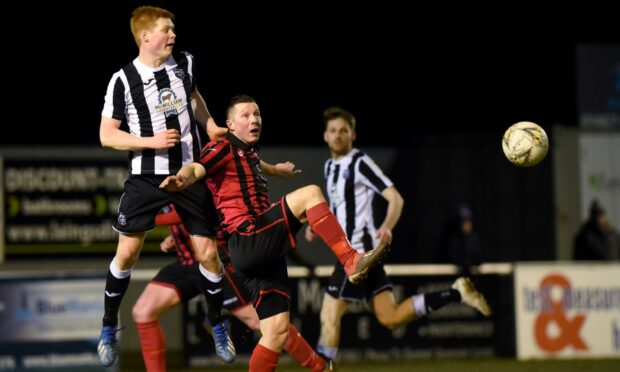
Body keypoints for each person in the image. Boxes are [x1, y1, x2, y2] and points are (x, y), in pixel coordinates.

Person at [160, 95, 387, 371]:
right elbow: (198, 167)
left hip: (261, 254)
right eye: (246, 115)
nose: (254, 119)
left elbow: (256, 164)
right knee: (310, 194)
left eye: (257, 114)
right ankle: (350, 260)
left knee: (277, 331)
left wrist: (277, 171)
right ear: (230, 124)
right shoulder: (222, 147)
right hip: (249, 237)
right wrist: (182, 178)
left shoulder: (250, 153)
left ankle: (319, 367)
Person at [305, 106, 492, 366]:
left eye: (343, 130)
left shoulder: (359, 163)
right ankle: (455, 293)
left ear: (353, 135)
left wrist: (388, 225)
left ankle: (323, 368)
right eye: (333, 130)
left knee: (329, 313)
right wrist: (317, 225)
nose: (338, 135)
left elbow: (395, 198)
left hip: (359, 253)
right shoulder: (329, 167)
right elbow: (338, 205)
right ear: (325, 136)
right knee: (390, 317)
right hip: (362, 254)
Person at [97, 5, 232, 367]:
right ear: (145, 37)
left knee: (208, 254)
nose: (173, 35)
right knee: (126, 255)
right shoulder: (123, 79)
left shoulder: (185, 62)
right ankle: (109, 326)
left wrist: (212, 125)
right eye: (166, 30)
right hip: (146, 177)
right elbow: (106, 135)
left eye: (173, 29)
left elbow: (194, 98)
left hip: (189, 173)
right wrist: (152, 142)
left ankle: (217, 323)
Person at [134, 204, 327, 371]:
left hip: (215, 263)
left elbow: (189, 209)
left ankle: (319, 366)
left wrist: (150, 219)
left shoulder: (186, 172)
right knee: (143, 311)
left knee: (265, 324)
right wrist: (176, 237)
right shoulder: (158, 180)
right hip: (186, 264)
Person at [437, 203, 483, 275]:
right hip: (452, 279)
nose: (467, 224)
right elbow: (454, 259)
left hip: (472, 278)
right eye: (464, 221)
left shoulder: (474, 239)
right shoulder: (452, 240)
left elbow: (479, 259)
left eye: (469, 221)